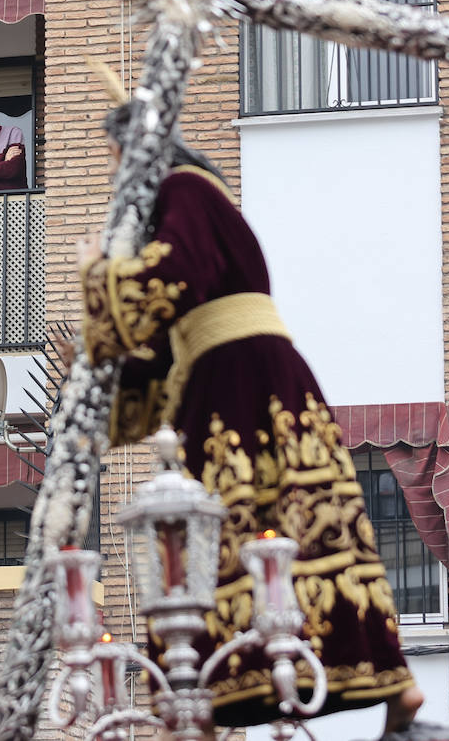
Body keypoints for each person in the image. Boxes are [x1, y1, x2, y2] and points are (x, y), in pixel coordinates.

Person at [76, 104, 426, 733]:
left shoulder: (186, 188)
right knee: (232, 545)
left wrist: (101, 277)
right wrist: (104, 386)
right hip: (224, 383)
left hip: (243, 383)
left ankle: (384, 687)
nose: (109, 175)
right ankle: (212, 696)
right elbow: (160, 348)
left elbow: (181, 276)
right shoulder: (189, 202)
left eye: (112, 159)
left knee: (276, 530)